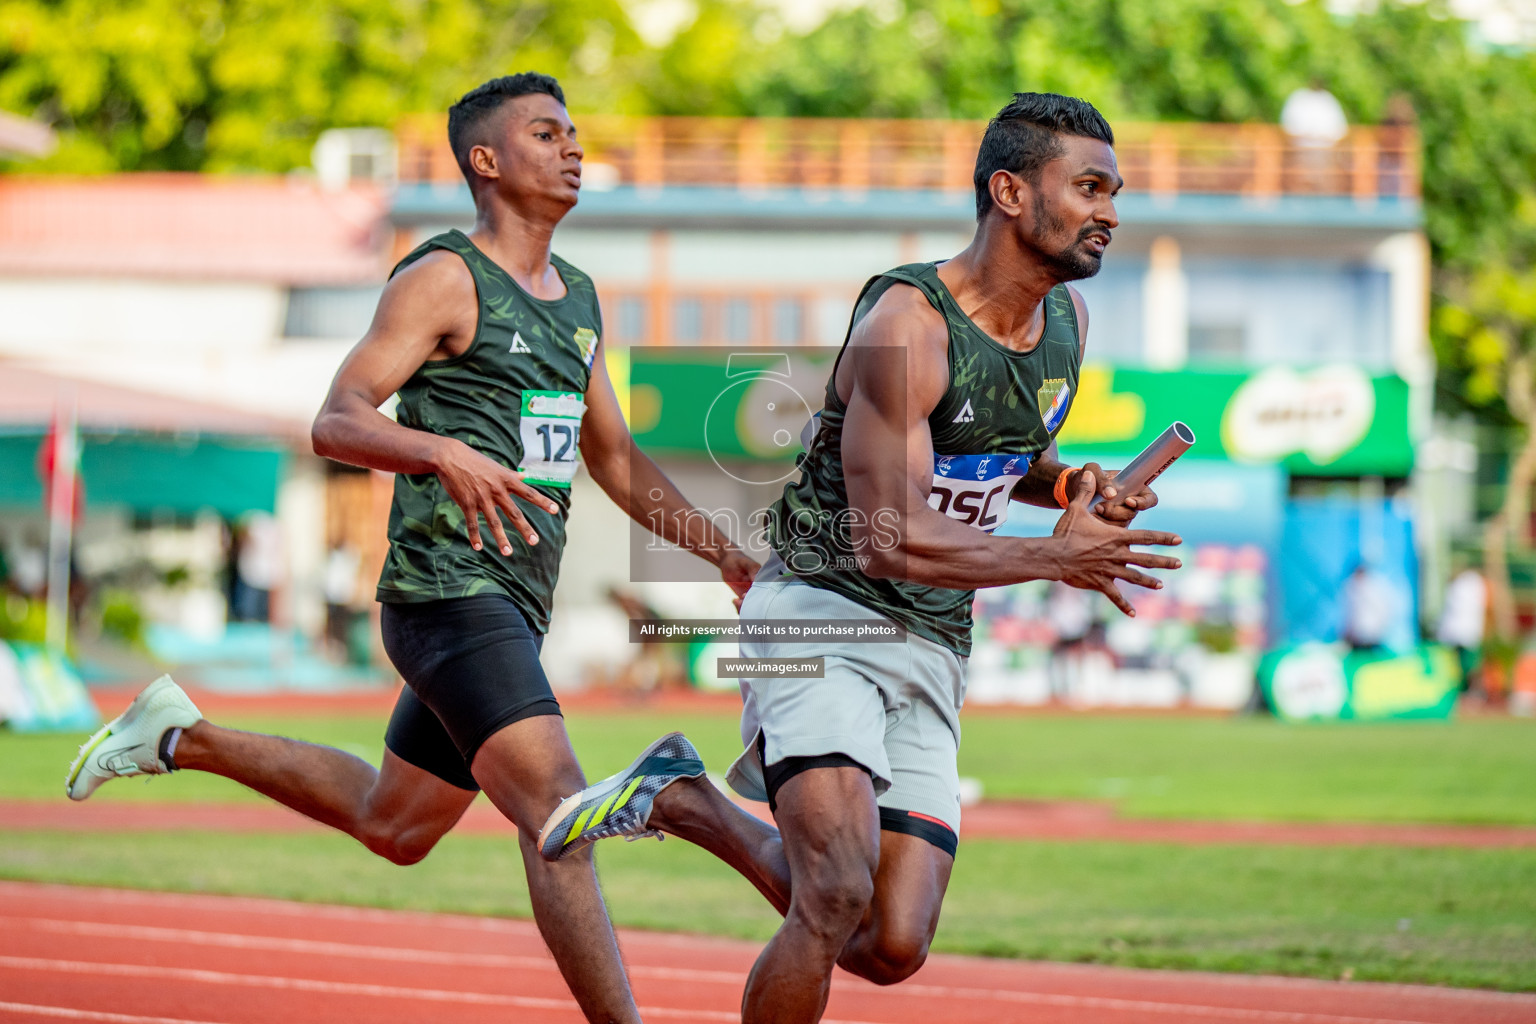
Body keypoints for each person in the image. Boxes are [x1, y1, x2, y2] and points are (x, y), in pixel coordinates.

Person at [65, 72, 758, 1024]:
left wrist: (719, 551)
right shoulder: (443, 276)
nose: (573, 147)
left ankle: (178, 735)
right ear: (486, 160)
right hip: (445, 591)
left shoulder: (582, 300)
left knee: (394, 826)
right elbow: (336, 419)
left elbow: (616, 460)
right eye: (546, 133)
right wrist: (440, 453)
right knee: (557, 814)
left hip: (516, 599)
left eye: (573, 133)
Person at [539, 93, 1182, 1022]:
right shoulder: (908, 322)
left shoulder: (1068, 325)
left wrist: (1071, 485)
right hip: (824, 606)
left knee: (888, 943)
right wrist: (1053, 560)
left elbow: (992, 451)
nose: (1111, 212)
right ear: (1009, 191)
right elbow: (885, 538)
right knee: (833, 892)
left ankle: (686, 799)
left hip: (934, 634)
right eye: (1088, 188)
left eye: (1115, 191)